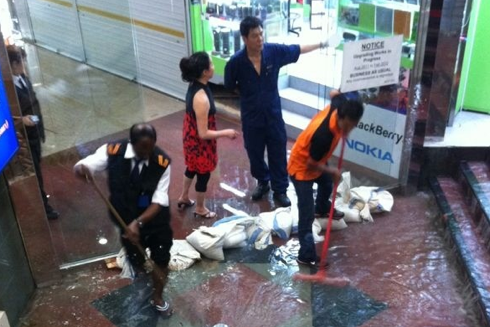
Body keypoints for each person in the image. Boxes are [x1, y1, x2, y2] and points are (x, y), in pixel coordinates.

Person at [224, 16, 334, 208]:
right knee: (255, 154)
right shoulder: (235, 63)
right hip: (251, 119)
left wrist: (323, 43)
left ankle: (280, 189)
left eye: (261, 34)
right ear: (244, 38)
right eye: (255, 36)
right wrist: (250, 98)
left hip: (273, 116)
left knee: (277, 153)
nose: (260, 39)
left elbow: (297, 49)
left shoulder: (273, 52)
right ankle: (263, 182)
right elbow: (230, 86)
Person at [74, 123, 173, 318]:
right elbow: (89, 164)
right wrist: (82, 168)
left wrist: (138, 223)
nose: (147, 155)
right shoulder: (113, 151)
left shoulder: (162, 162)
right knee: (136, 257)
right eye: (142, 150)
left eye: (150, 148)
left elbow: (160, 200)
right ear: (132, 143)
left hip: (154, 220)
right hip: (123, 218)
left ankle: (158, 296)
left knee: (161, 258)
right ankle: (143, 283)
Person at [287, 91, 364, 267]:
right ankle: (306, 256)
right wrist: (331, 171)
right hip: (301, 168)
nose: (349, 130)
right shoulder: (324, 134)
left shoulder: (340, 105)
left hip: (318, 158)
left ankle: (321, 208)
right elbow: (311, 163)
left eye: (354, 126)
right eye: (349, 126)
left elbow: (334, 93)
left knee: (326, 183)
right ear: (341, 117)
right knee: (306, 215)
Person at [178, 52, 238, 219]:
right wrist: (226, 133)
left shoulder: (195, 85)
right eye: (211, 65)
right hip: (199, 142)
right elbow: (203, 133)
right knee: (203, 174)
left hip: (190, 135)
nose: (213, 67)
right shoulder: (201, 98)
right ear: (205, 72)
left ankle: (183, 196)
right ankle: (200, 208)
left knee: (191, 168)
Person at [7, 45, 59, 220]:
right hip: (24, 139)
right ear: (14, 64)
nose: (24, 64)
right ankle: (43, 206)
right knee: (34, 173)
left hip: (36, 133)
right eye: (21, 60)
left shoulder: (23, 79)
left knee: (38, 169)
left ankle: (41, 199)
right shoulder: (8, 90)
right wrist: (21, 120)